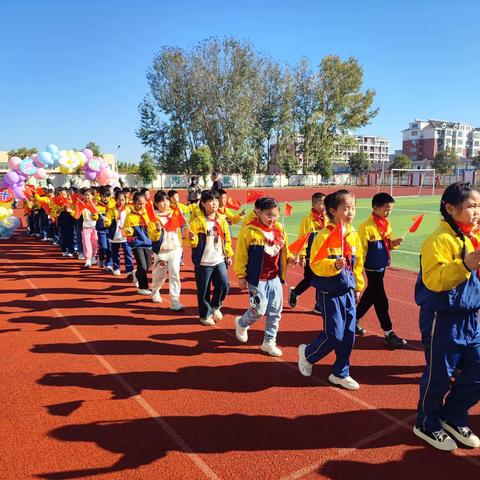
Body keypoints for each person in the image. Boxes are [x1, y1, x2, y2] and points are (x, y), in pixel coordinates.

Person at [413, 182, 480, 451]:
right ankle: (426, 422)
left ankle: (453, 414)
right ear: (450, 208)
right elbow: (435, 281)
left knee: (477, 368)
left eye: (479, 206)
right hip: (443, 319)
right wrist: (465, 264)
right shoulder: (438, 240)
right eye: (472, 206)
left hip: (471, 317)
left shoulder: (472, 235)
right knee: (439, 375)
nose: (477, 211)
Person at [297, 189, 364, 390]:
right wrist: (333, 265)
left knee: (349, 334)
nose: (351, 212)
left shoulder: (353, 234)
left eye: (353, 208)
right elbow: (316, 264)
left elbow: (357, 263)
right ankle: (308, 354)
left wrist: (358, 286)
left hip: (347, 292)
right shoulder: (323, 236)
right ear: (333, 211)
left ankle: (340, 372)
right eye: (346, 208)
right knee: (334, 334)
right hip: (329, 291)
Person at [234, 196, 294, 357]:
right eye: (268, 215)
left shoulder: (279, 228)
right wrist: (241, 275)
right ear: (257, 212)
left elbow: (284, 247)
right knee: (258, 310)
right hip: (257, 279)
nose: (272, 219)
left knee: (275, 311)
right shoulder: (249, 231)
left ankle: (269, 342)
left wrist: (290, 256)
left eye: (275, 215)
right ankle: (241, 323)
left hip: (274, 277)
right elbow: (241, 255)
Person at [355, 192, 406, 348]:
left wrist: (394, 243)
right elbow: (360, 252)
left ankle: (352, 321)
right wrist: (357, 275)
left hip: (381, 266)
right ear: (375, 208)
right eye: (386, 209)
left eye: (390, 209)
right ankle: (388, 333)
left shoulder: (385, 224)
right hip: (371, 268)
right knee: (381, 300)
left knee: (370, 296)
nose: (388, 212)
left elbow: (387, 244)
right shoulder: (366, 227)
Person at [187, 189, 233, 326]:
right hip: (203, 262)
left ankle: (215, 305)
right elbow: (191, 243)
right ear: (203, 203)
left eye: (216, 200)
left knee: (224, 284)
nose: (214, 203)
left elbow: (227, 239)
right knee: (203, 290)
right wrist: (192, 239)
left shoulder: (222, 220)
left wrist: (228, 254)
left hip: (219, 259)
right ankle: (205, 315)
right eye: (210, 201)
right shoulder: (197, 222)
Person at [288, 192, 327, 311]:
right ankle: (295, 292)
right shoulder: (308, 220)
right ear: (314, 204)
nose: (324, 205)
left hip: (323, 254)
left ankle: (318, 305)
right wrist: (303, 255)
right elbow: (303, 239)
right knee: (310, 279)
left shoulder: (327, 218)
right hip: (310, 254)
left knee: (322, 278)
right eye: (322, 203)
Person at [150, 190, 184, 309]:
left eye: (166, 201)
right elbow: (152, 236)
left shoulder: (174, 212)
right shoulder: (153, 216)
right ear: (156, 203)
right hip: (161, 251)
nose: (165, 204)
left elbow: (186, 211)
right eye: (161, 201)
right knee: (160, 275)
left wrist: (177, 203)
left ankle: (175, 299)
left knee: (175, 273)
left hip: (174, 248)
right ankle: (155, 290)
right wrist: (157, 230)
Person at [123, 191, 159, 295]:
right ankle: (143, 287)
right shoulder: (130, 216)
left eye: (143, 204)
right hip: (137, 244)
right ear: (134, 203)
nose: (142, 206)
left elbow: (152, 226)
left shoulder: (148, 213)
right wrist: (129, 232)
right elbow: (126, 229)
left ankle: (137, 275)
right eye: (139, 203)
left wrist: (156, 229)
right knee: (142, 266)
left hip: (148, 243)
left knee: (147, 265)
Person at [104, 190, 134, 276]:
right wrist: (107, 222)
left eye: (123, 200)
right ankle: (116, 268)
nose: (121, 202)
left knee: (128, 252)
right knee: (115, 253)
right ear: (115, 200)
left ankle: (129, 270)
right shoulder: (111, 210)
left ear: (125, 200)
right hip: (115, 235)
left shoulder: (128, 210)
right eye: (119, 200)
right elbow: (108, 221)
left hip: (125, 235)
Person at [77, 188, 98, 268]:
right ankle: (88, 259)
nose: (87, 197)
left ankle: (93, 256)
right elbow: (77, 214)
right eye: (85, 195)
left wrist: (92, 204)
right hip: (85, 227)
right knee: (86, 243)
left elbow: (97, 212)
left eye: (88, 195)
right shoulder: (82, 204)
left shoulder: (96, 204)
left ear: (92, 196)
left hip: (94, 227)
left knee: (95, 243)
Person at [95, 186, 115, 271]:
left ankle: (109, 264)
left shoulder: (113, 205)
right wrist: (94, 216)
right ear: (100, 196)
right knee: (103, 246)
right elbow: (95, 216)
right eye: (103, 196)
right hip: (101, 229)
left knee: (110, 247)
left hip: (110, 229)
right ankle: (101, 257)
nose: (105, 198)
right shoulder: (97, 206)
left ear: (110, 196)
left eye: (107, 196)